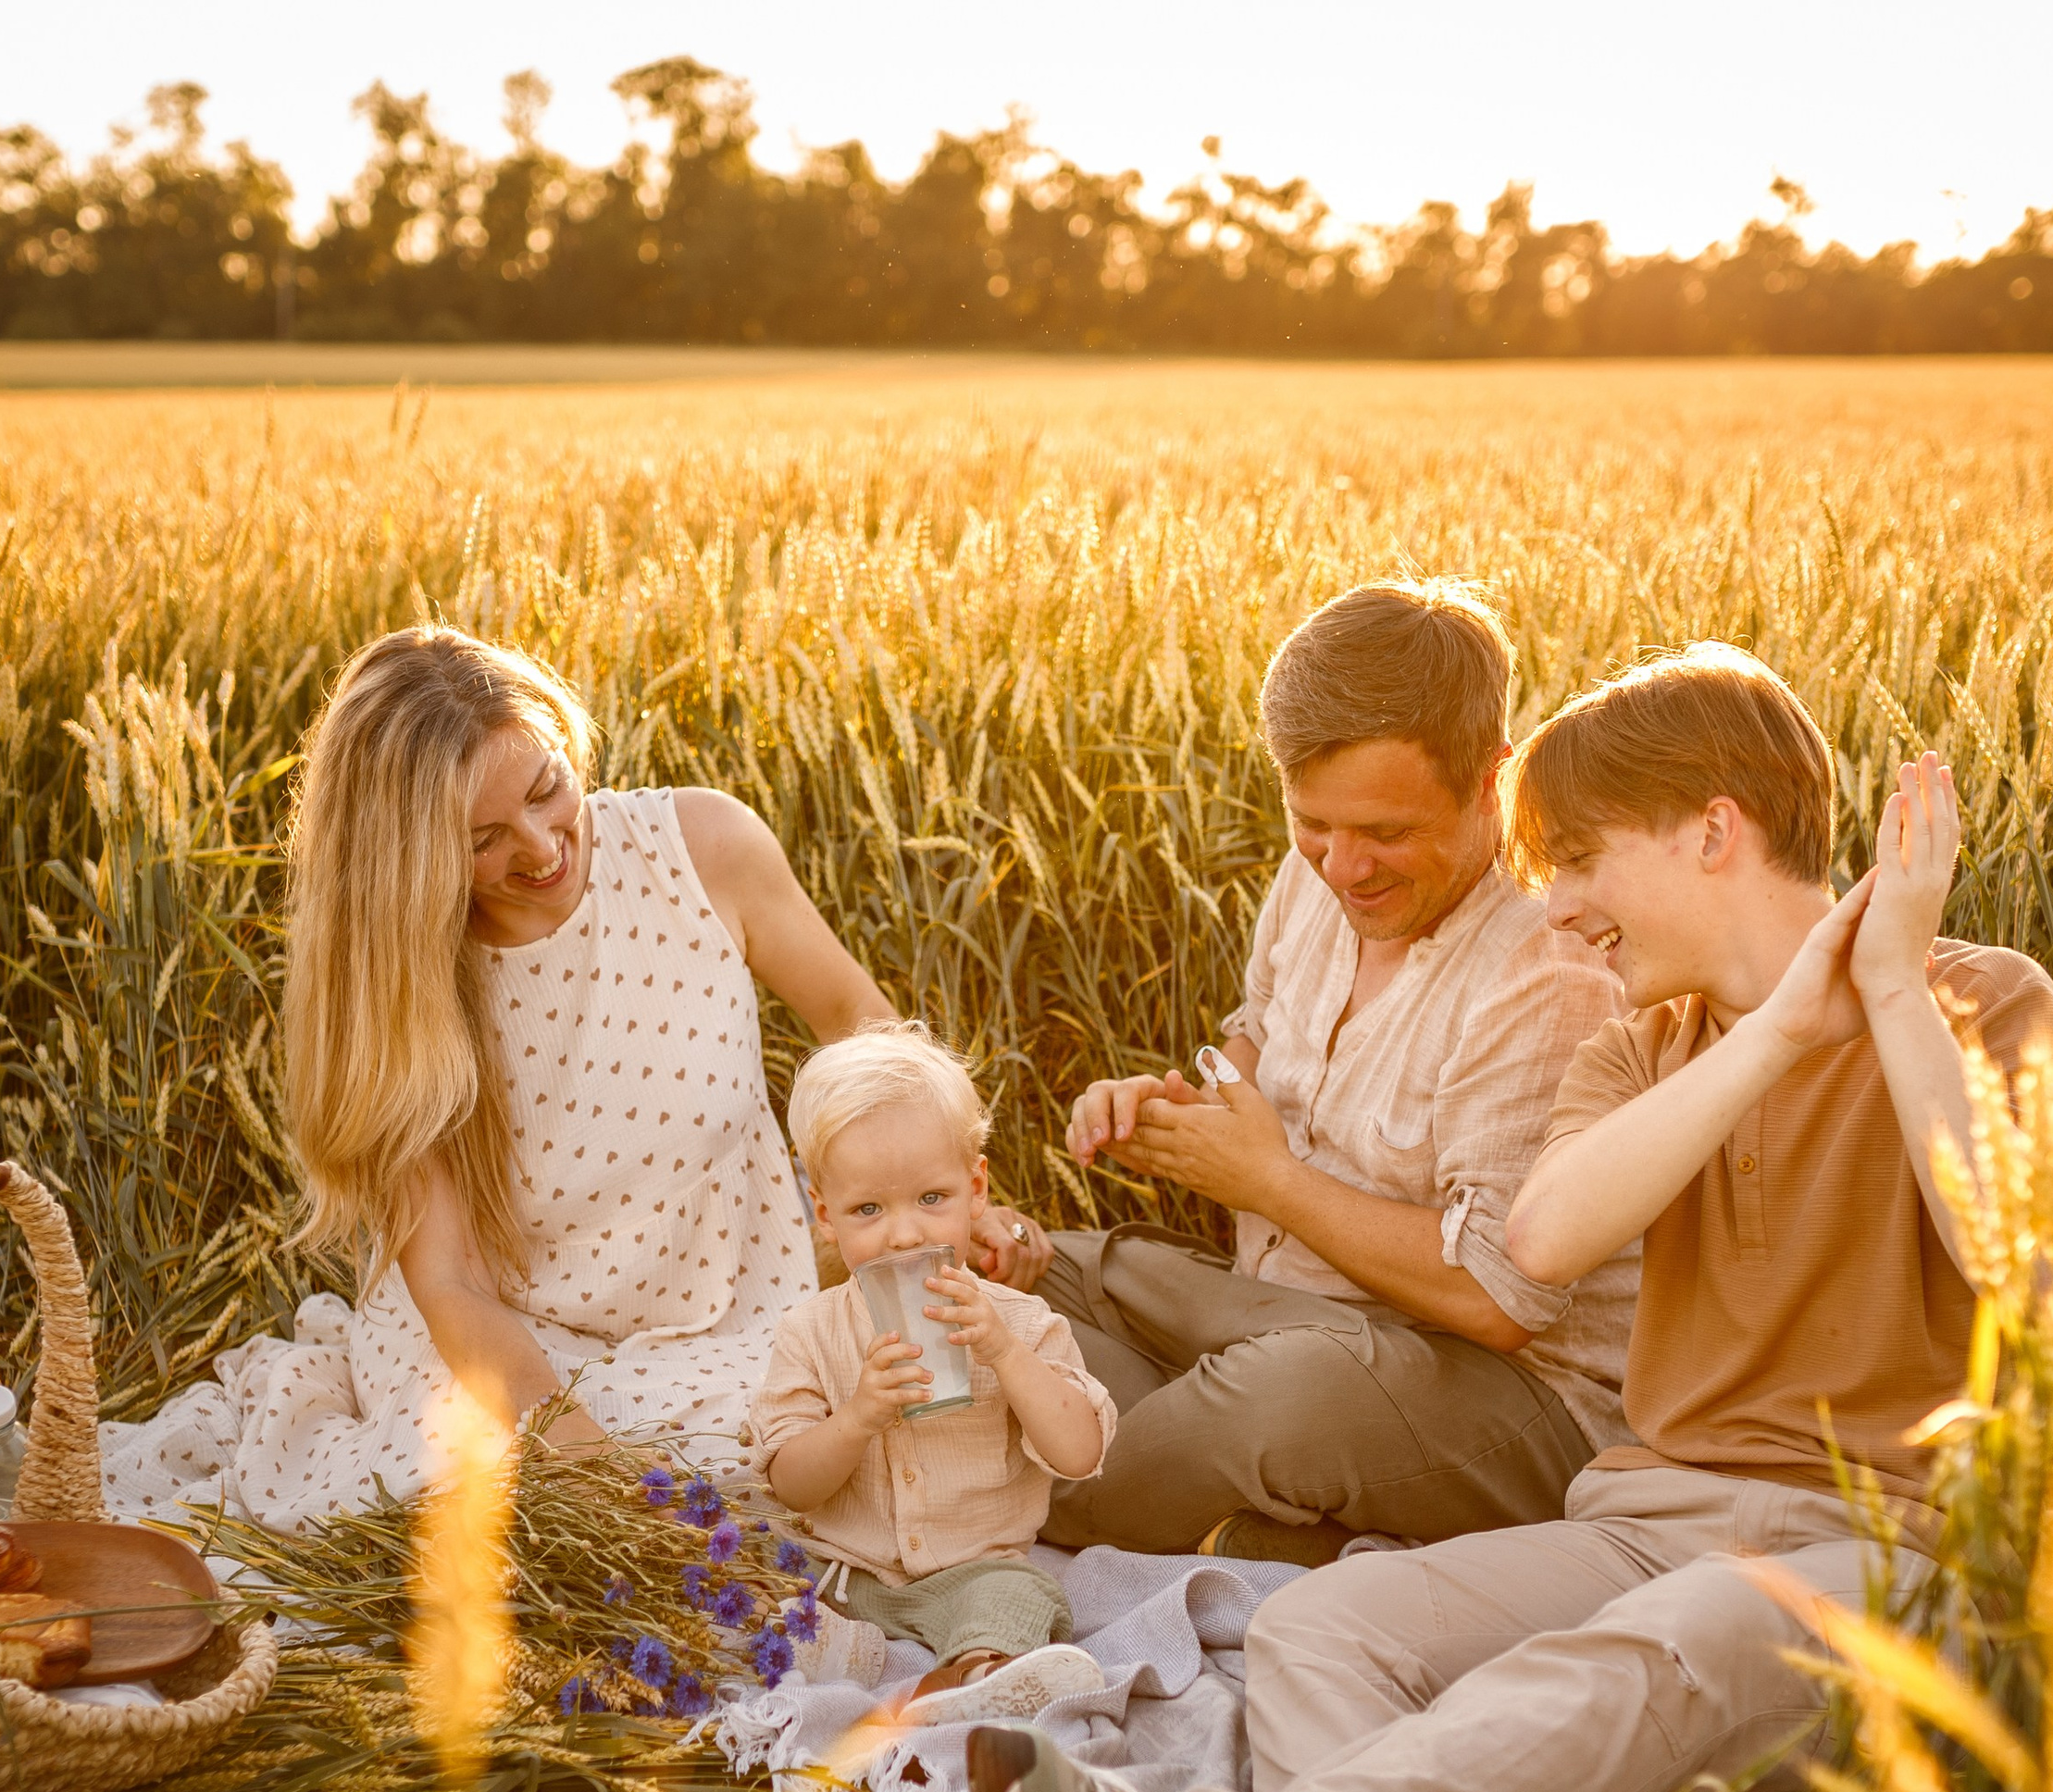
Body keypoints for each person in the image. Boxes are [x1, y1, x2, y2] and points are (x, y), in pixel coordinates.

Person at [968, 642, 2053, 1792]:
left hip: (1898, 1550)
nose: (1554, 904)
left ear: (1713, 828)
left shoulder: (1984, 1000)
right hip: (1648, 1512)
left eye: (1580, 862)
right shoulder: (1639, 1052)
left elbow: (2031, 1272)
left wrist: (1880, 996)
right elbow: (1548, 1236)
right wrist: (1777, 1038)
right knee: (1331, 1630)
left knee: (1661, 1649)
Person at [101, 627, 1052, 1531]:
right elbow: (453, 1284)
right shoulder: (405, 983)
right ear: (409, 861)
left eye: (546, 788)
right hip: (499, 1345)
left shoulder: (702, 850)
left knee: (858, 1439)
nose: (542, 846)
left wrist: (952, 1208)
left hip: (729, 1324)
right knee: (479, 1495)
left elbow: (861, 1029)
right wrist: (579, 1455)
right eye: (482, 839)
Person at [1039, 579, 1636, 1564]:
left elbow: (1500, 1300)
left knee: (1278, 1400)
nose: (1343, 868)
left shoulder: (1547, 963)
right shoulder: (1319, 868)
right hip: (1280, 1317)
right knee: (1022, 1267)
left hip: (1501, 1398)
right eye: (1312, 822)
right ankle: (1250, 1518)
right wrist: (1184, 1102)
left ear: (1493, 774)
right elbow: (1254, 1034)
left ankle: (1013, 1489)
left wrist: (1267, 1180)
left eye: (1388, 834)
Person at [752, 1025, 1113, 1724]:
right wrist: (856, 1418)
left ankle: (962, 1678)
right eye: (867, 1210)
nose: (906, 1235)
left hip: (971, 1572)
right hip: (842, 1575)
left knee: (1027, 1598)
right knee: (762, 1582)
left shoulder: (1022, 1323)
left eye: (931, 1199)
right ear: (825, 1217)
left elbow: (1080, 1452)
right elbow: (789, 1484)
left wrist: (1005, 1354)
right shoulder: (811, 1333)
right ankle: (839, 1647)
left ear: (976, 1189)